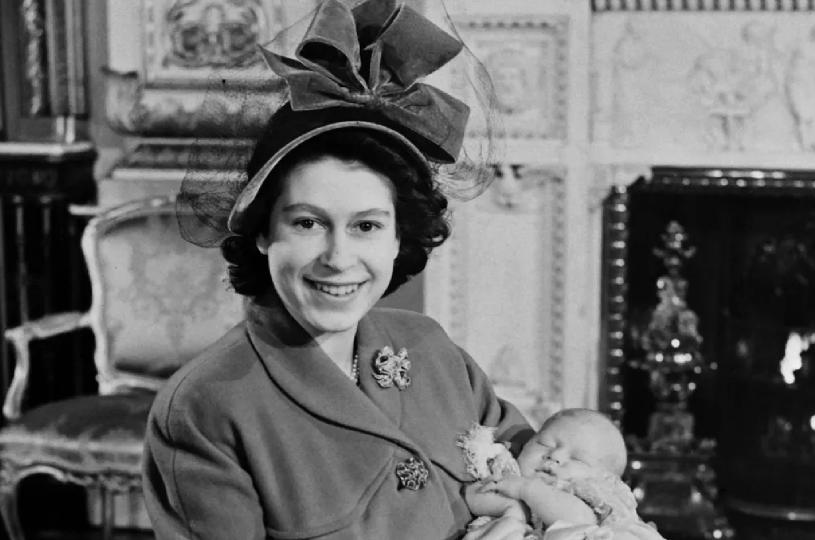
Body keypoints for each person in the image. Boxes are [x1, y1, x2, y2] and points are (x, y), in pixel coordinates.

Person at [142, 1, 533, 538]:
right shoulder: (206, 408)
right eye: (307, 223)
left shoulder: (434, 350)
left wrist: (519, 511)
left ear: (400, 238)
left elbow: (538, 464)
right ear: (260, 231)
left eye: (367, 226)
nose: (338, 257)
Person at [462, 409, 665, 540]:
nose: (555, 455)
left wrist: (527, 490)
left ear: (605, 478)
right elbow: (471, 495)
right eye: (544, 444)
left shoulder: (593, 493)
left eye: (577, 459)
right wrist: (511, 508)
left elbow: (578, 519)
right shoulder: (507, 466)